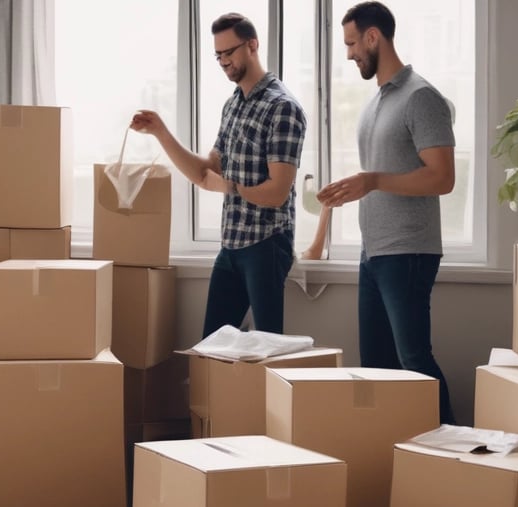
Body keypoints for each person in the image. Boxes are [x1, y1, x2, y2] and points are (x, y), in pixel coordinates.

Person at [317, 1, 457, 424]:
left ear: (374, 37)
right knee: (376, 363)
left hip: (408, 252)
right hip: (373, 252)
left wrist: (373, 180)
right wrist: (352, 187)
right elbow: (384, 173)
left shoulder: (421, 97)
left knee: (414, 359)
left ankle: (457, 452)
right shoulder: (375, 103)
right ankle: (392, 453)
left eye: (352, 42)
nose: (348, 53)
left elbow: (442, 178)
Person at [131, 12, 306, 338]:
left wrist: (229, 187)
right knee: (212, 347)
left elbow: (278, 191)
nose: (224, 61)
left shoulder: (283, 107)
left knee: (269, 348)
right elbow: (205, 172)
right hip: (232, 245)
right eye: (218, 55)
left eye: (230, 52)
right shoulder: (233, 105)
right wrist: (161, 132)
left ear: (252, 45)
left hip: (266, 245)